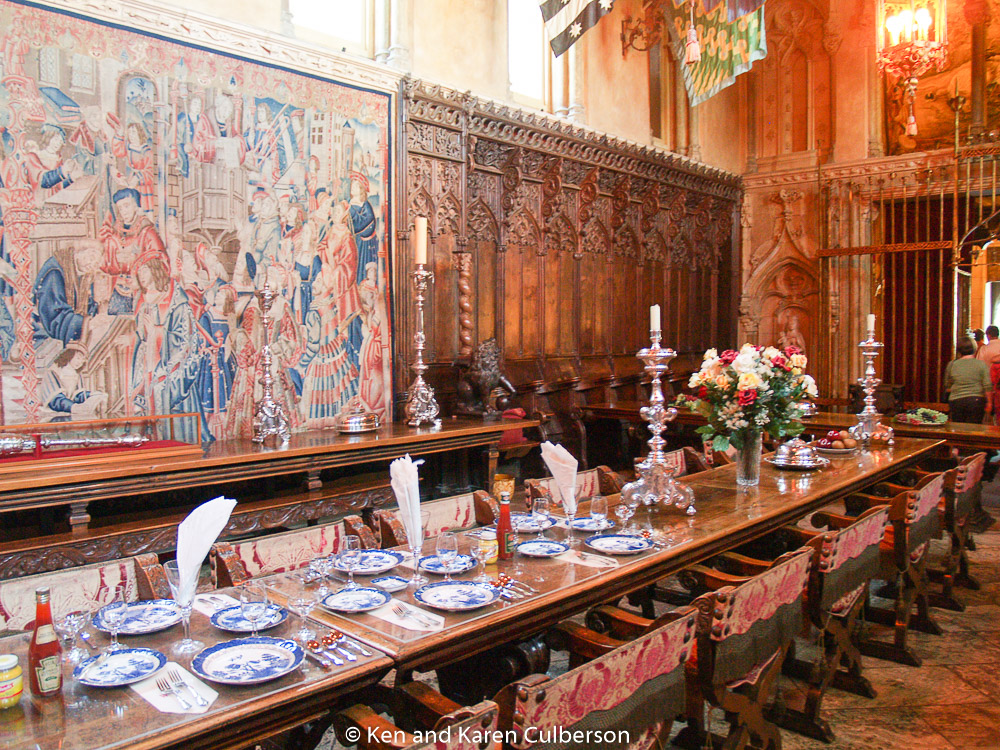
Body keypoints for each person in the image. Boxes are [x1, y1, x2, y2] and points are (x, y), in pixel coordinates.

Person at [945, 337, 992, 424]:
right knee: (974, 428)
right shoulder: (981, 364)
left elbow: (947, 385)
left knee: (958, 428)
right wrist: (989, 402)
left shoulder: (952, 364)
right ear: (975, 348)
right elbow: (987, 385)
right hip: (976, 400)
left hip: (956, 400)